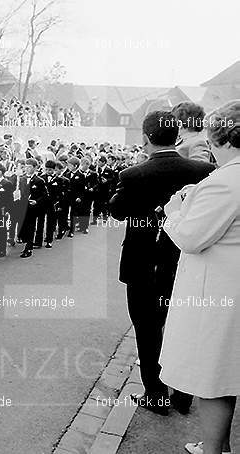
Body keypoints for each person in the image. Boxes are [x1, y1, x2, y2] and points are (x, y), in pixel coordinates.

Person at [109, 111, 215, 416]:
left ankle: (155, 395)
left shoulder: (133, 175)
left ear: (145, 139)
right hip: (186, 261)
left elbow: (117, 211)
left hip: (142, 263)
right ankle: (182, 395)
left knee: (146, 328)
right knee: (185, 328)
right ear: (177, 136)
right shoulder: (204, 171)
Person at [159, 100, 239, 454]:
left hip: (218, 293)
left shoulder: (225, 181)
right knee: (225, 374)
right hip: (228, 287)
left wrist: (174, 211)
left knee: (212, 379)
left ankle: (212, 452)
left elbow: (190, 238)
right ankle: (214, 445)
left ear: (220, 140)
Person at [18, 158, 48, 258]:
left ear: (35, 168)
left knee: (31, 227)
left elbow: (45, 195)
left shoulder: (39, 181)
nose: (27, 169)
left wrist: (37, 201)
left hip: (32, 207)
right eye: (26, 166)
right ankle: (26, 242)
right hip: (22, 207)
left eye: (30, 167)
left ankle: (29, 248)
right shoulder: (21, 179)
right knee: (24, 226)